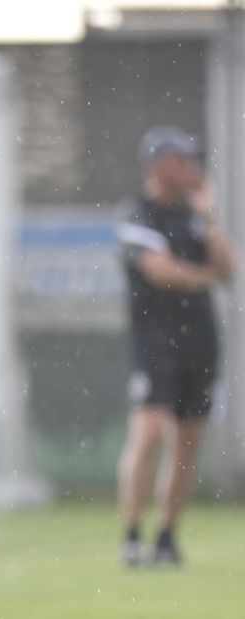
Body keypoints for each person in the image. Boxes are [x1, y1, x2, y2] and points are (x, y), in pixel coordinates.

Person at [115, 126, 237, 567]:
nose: (190, 168)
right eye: (181, 160)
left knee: (189, 440)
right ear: (158, 165)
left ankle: (166, 538)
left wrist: (208, 215)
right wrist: (204, 275)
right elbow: (162, 272)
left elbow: (227, 266)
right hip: (155, 340)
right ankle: (131, 535)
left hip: (201, 341)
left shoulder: (194, 214)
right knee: (149, 434)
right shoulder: (138, 215)